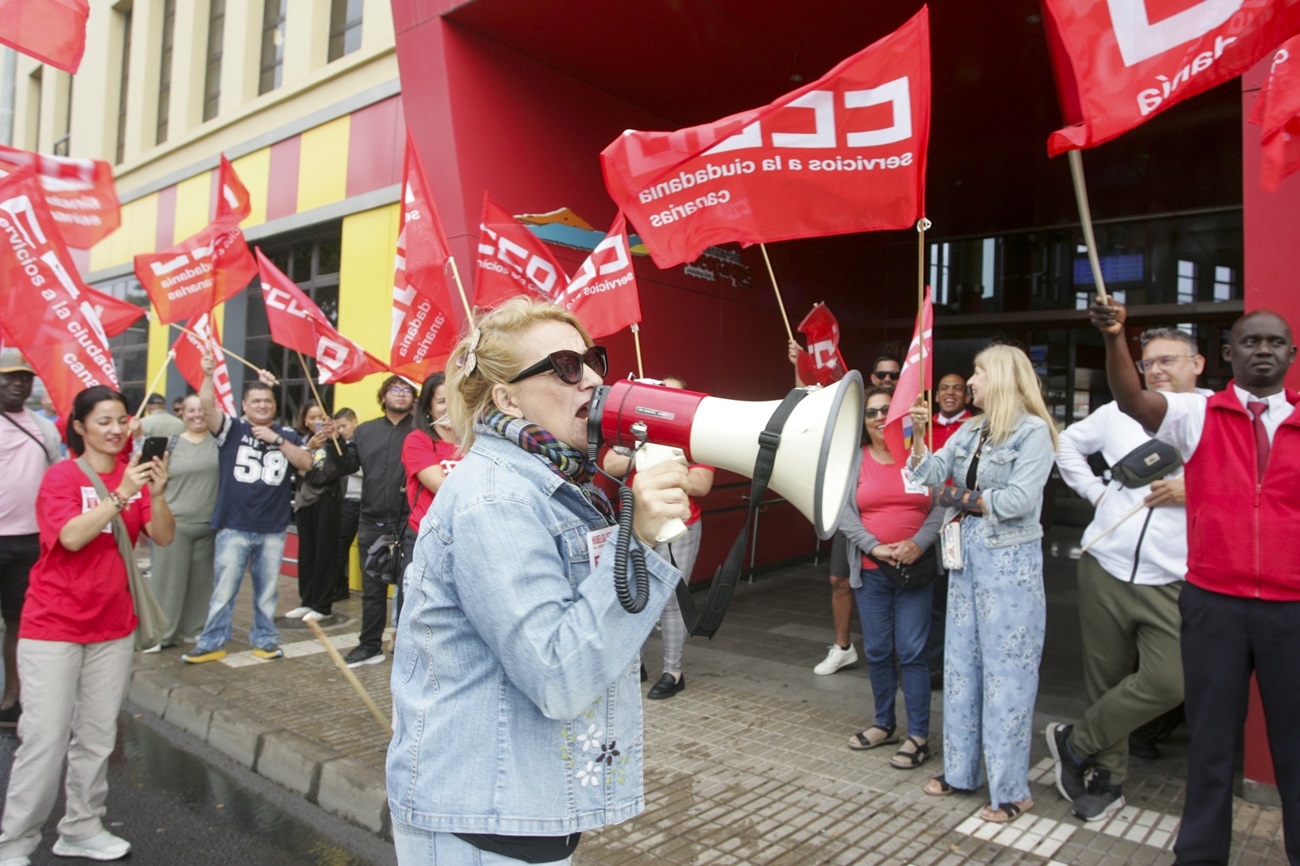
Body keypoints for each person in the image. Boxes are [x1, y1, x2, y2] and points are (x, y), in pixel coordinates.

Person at [387, 298, 692, 866]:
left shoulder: (546, 480)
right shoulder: (495, 499)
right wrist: (638, 542)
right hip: (482, 825)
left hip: (511, 810)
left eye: (593, 359)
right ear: (506, 398)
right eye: (566, 367)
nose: (594, 378)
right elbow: (559, 675)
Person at [1088, 302, 1300, 865]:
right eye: (1250, 342)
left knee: (1295, 748)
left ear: (1290, 355)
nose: (1263, 350)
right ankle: (1200, 857)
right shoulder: (1197, 413)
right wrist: (1116, 338)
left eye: (1275, 343)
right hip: (1215, 605)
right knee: (1211, 744)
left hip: (1290, 609)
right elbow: (1134, 400)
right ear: (1229, 355)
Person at [0, 385, 175, 865]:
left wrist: (154, 495)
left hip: (113, 626)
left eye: (121, 420)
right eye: (103, 421)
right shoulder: (59, 478)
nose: (116, 429)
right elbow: (72, 537)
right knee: (45, 738)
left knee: (97, 735)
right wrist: (121, 495)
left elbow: (162, 535)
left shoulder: (134, 477)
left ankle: (81, 825)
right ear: (79, 427)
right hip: (52, 626)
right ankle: (14, 842)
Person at [1047, 327, 1207, 822]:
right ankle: (1108, 780)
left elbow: (1250, 484)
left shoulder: (1219, 415)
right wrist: (1097, 494)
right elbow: (1066, 444)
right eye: (1149, 362)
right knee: (1107, 679)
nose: (1157, 369)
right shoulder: (1118, 412)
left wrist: (1192, 490)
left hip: (1173, 578)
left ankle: (1076, 741)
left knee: (1168, 683)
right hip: (1105, 566)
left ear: (1197, 364)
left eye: (1169, 360)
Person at [907, 344, 1056, 824]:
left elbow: (1016, 500)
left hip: (1008, 563)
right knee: (961, 666)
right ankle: (960, 772)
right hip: (966, 560)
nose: (969, 383)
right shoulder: (971, 430)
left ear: (1003, 378)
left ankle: (1011, 788)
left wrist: (958, 496)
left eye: (977, 374)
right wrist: (918, 435)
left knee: (1008, 675)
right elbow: (927, 476)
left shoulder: (1035, 434)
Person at [181, 352, 312, 664]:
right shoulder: (232, 430)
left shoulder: (288, 434)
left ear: (275, 405)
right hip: (234, 524)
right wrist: (208, 375)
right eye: (256, 401)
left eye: (267, 401)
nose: (262, 406)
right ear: (244, 405)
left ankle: (265, 640)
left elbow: (306, 463)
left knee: (267, 592)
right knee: (223, 591)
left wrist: (276, 440)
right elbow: (208, 408)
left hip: (273, 527)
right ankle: (212, 642)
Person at [840, 386, 944, 767]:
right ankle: (885, 724)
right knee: (879, 651)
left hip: (914, 571)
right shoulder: (853, 462)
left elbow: (941, 506)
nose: (880, 417)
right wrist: (872, 545)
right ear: (863, 422)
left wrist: (919, 542)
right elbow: (842, 512)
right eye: (872, 413)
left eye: (887, 410)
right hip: (872, 571)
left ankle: (918, 736)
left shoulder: (920, 458)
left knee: (913, 653)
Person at [601, 376, 715, 701]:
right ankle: (635, 665)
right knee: (633, 597)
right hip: (636, 524)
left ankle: (673, 671)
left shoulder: (697, 437)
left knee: (672, 602)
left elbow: (702, 483)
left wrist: (665, 461)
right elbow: (610, 462)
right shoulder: (636, 432)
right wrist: (645, 452)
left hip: (681, 525)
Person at [0, 351, 60, 729]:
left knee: (18, 624)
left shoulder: (44, 428)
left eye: (24, 377)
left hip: (29, 544)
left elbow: (54, 480)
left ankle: (12, 698)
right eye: (10, 377)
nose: (18, 383)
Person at [347, 375, 417, 668]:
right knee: (372, 589)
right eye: (395, 389)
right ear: (383, 395)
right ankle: (369, 645)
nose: (401, 395)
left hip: (409, 521)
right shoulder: (365, 431)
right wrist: (331, 446)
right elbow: (346, 466)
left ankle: (407, 646)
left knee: (410, 590)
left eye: (407, 390)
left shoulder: (421, 431)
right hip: (373, 521)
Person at [145, 393, 219, 652]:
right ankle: (160, 636)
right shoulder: (170, 445)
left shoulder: (220, 442)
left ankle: (194, 630)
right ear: (182, 414)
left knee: (201, 584)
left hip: (208, 525)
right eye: (191, 410)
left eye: (202, 410)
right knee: (167, 584)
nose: (197, 415)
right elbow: (147, 478)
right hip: (174, 525)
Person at [286, 401, 358, 622]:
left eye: (321, 415)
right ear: (305, 421)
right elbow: (292, 467)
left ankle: (322, 604)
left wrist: (306, 471)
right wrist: (307, 450)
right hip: (304, 503)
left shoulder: (337, 444)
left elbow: (333, 472)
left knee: (325, 555)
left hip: (328, 503)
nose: (317, 420)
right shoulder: (301, 442)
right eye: (312, 417)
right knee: (307, 554)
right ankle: (306, 600)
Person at [925, 372, 972, 690]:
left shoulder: (978, 427)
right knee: (927, 596)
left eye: (958, 388)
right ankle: (926, 663)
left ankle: (947, 665)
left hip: (962, 519)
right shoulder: (924, 426)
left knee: (952, 597)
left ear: (967, 396)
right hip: (924, 519)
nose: (951, 393)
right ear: (937, 394)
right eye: (944, 388)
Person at [401, 373, 459, 573]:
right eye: (442, 401)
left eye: (455, 399)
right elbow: (439, 485)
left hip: (464, 538)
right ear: (428, 408)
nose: (450, 406)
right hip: (427, 538)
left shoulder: (473, 440)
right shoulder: (418, 440)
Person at [333, 408, 361, 603]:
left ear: (355, 422)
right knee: (340, 546)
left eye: (343, 425)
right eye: (338, 427)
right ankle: (339, 586)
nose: (341, 430)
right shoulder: (339, 445)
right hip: (346, 502)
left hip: (364, 501)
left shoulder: (365, 442)